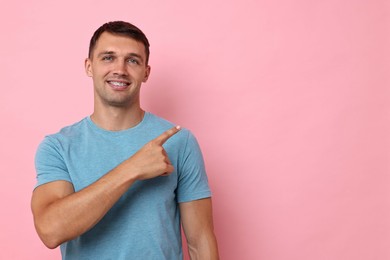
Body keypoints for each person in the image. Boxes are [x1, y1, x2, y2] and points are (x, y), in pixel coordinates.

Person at [31, 21, 219, 260]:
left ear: (146, 72)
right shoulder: (57, 147)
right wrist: (132, 168)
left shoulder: (179, 141)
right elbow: (51, 230)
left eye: (132, 60)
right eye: (108, 58)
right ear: (89, 66)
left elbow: (200, 241)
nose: (120, 69)